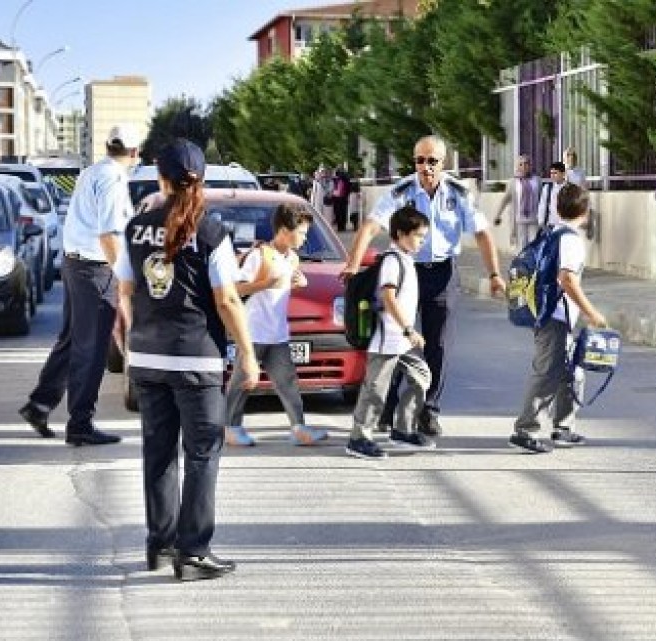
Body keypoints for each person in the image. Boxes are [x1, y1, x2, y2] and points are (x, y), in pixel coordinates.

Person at [115, 139, 259, 581]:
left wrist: (131, 344)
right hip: (195, 361)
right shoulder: (211, 231)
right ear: (201, 180)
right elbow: (228, 301)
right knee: (202, 454)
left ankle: (160, 545)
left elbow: (125, 293)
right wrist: (250, 356)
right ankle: (193, 551)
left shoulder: (135, 228)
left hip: (147, 358)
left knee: (158, 454)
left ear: (160, 178)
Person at [343, 134, 506, 439]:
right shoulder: (402, 190)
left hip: (442, 273)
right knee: (394, 340)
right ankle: (385, 412)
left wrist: (495, 273)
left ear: (444, 163)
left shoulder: (458, 192)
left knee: (438, 345)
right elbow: (371, 225)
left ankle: (427, 412)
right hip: (407, 271)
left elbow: (482, 233)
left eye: (432, 161)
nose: (426, 167)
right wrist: (353, 264)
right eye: (420, 160)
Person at [18, 124, 141, 446]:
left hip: (76, 265)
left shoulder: (92, 172)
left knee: (72, 340)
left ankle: (40, 405)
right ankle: (80, 425)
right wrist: (124, 276)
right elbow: (109, 235)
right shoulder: (113, 180)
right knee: (92, 351)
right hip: (96, 270)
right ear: (133, 152)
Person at [509, 183, 608, 454]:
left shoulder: (552, 233)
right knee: (547, 374)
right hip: (554, 316)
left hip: (552, 314)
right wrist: (591, 313)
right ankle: (525, 429)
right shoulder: (571, 241)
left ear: (556, 208)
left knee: (571, 372)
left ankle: (562, 427)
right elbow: (567, 279)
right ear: (586, 211)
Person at [224, 204, 330, 446]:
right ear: (284, 230)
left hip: (278, 333)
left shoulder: (291, 258)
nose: (305, 238)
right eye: (301, 232)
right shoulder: (259, 256)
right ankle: (230, 426)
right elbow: (235, 289)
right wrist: (266, 283)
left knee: (287, 381)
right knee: (243, 381)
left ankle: (299, 427)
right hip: (253, 332)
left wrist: (296, 283)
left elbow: (279, 288)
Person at [346, 205, 433, 459]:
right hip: (388, 339)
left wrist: (409, 333)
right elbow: (387, 297)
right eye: (418, 236)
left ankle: (404, 429)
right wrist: (408, 329)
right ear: (399, 234)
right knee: (376, 390)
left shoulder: (406, 259)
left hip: (404, 341)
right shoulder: (392, 262)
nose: (421, 241)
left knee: (421, 377)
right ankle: (359, 438)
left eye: (423, 236)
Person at [493, 154, 542, 248]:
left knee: (535, 245)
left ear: (530, 165)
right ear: (517, 166)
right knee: (521, 247)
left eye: (526, 164)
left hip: (534, 218)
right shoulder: (513, 182)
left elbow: (542, 199)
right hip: (519, 219)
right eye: (521, 164)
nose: (524, 166)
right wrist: (497, 215)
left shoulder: (537, 180)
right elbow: (505, 200)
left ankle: (532, 262)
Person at [536, 161, 569, 229]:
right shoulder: (548, 188)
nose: (552, 175)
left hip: (566, 226)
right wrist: (541, 222)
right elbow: (542, 205)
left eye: (555, 173)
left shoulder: (570, 188)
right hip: (551, 225)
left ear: (563, 174)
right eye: (551, 173)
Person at [331, 167, 352, 232]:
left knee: (338, 212)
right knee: (343, 212)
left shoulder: (336, 180)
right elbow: (349, 190)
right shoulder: (346, 180)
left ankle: (340, 226)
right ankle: (342, 226)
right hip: (343, 198)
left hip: (337, 198)